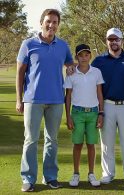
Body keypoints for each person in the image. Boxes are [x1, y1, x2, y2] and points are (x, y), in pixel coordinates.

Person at [16, 9, 73, 192]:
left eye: (55, 22)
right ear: (41, 22)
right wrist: (19, 100)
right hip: (33, 100)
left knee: (52, 140)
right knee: (31, 139)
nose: (51, 25)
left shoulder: (63, 46)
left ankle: (50, 177)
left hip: (57, 100)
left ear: (58, 24)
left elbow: (70, 63)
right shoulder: (28, 44)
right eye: (48, 21)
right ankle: (28, 178)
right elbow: (20, 73)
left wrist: (72, 68)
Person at [91, 28, 124, 184]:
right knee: (107, 141)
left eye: (116, 39)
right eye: (110, 39)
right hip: (106, 105)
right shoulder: (98, 61)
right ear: (106, 41)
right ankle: (108, 174)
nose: (113, 42)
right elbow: (87, 75)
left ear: (121, 41)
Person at [64, 44, 104, 187]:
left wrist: (101, 113)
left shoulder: (96, 72)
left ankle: (91, 173)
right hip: (77, 113)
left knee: (91, 144)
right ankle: (76, 174)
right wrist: (68, 116)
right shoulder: (71, 73)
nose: (84, 58)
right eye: (81, 55)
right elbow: (68, 96)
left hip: (93, 112)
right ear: (76, 57)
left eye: (86, 55)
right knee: (78, 144)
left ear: (90, 56)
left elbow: (99, 93)